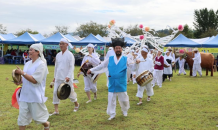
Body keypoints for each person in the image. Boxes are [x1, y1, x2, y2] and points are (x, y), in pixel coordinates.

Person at [87, 38, 130, 120]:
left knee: (123, 98)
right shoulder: (110, 59)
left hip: (121, 82)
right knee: (111, 99)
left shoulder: (125, 58)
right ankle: (112, 114)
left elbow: (132, 66)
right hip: (112, 82)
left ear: (121, 49)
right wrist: (91, 70)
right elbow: (101, 66)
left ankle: (125, 110)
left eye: (119, 48)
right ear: (114, 49)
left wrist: (137, 62)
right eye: (116, 48)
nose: (118, 50)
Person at [14, 43, 50, 130]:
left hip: (35, 95)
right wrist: (19, 81)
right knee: (22, 119)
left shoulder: (41, 64)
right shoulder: (27, 63)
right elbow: (25, 77)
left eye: (31, 50)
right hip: (24, 95)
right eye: (29, 50)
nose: (29, 52)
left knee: (38, 118)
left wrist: (22, 73)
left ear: (38, 52)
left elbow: (34, 80)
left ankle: (46, 124)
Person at [52, 38, 79, 115]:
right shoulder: (58, 55)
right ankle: (56, 110)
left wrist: (68, 76)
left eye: (63, 44)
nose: (61, 45)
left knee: (70, 93)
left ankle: (76, 104)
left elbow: (71, 67)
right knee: (55, 92)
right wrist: (54, 77)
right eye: (60, 44)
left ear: (67, 45)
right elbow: (56, 67)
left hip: (67, 78)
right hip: (58, 77)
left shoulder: (70, 55)